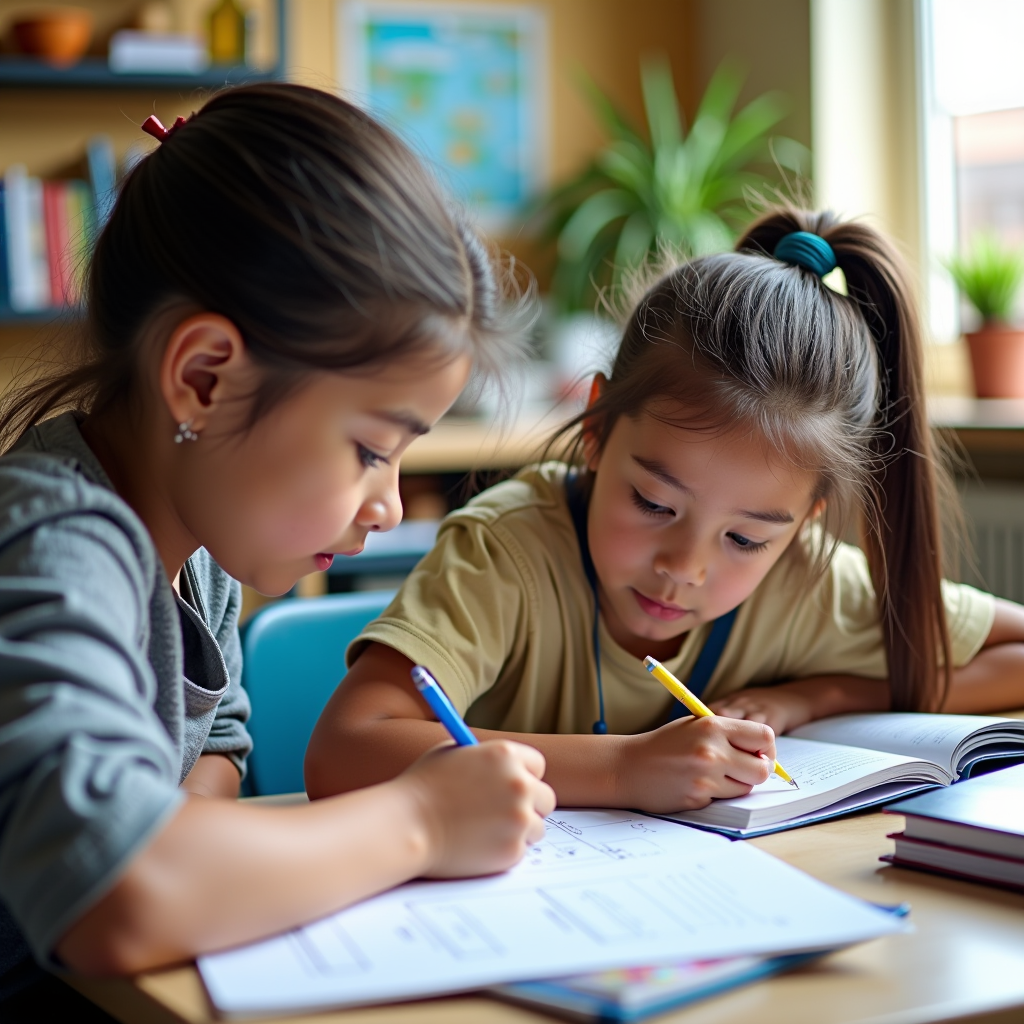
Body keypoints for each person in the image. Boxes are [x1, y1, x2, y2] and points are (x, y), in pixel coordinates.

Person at [0, 82, 555, 1009]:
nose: (385, 505)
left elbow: (217, 740)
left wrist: (190, 841)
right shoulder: (55, 545)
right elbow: (117, 893)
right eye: (373, 449)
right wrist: (419, 819)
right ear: (205, 380)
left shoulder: (198, 551)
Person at [306, 207, 1024, 816]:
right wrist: (621, 771)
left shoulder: (804, 584)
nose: (686, 566)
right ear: (597, 429)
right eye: (653, 503)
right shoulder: (508, 552)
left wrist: (819, 694)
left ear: (806, 521)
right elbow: (344, 749)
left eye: (745, 537)